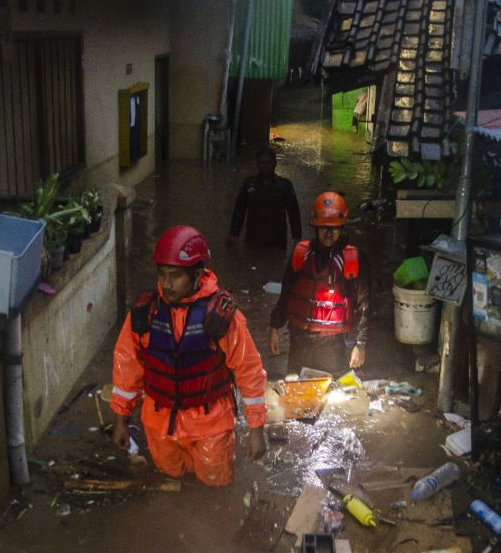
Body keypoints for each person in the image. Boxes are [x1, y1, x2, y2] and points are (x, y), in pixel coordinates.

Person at [111, 225, 267, 486]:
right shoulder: (144, 313)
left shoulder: (221, 316)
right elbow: (127, 366)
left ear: (196, 274)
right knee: (171, 480)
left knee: (214, 484)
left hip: (210, 424)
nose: (166, 284)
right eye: (162, 274)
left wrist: (256, 429)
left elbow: (248, 371)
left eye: (175, 276)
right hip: (159, 423)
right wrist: (120, 419)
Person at [269, 192, 370, 375]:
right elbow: (286, 293)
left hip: (332, 344)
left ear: (342, 228)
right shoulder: (301, 253)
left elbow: (366, 304)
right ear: (315, 228)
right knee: (295, 390)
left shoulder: (353, 259)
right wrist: (275, 327)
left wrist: (360, 344)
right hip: (299, 339)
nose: (329, 233)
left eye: (334, 228)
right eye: (323, 228)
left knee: (330, 396)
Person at [227, 147, 302, 250]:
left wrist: (297, 237)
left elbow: (294, 213)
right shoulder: (249, 184)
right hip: (253, 238)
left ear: (275, 163)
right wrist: (233, 234)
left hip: (277, 239)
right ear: (257, 164)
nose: (265, 166)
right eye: (262, 163)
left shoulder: (284, 186)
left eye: (268, 163)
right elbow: (239, 210)